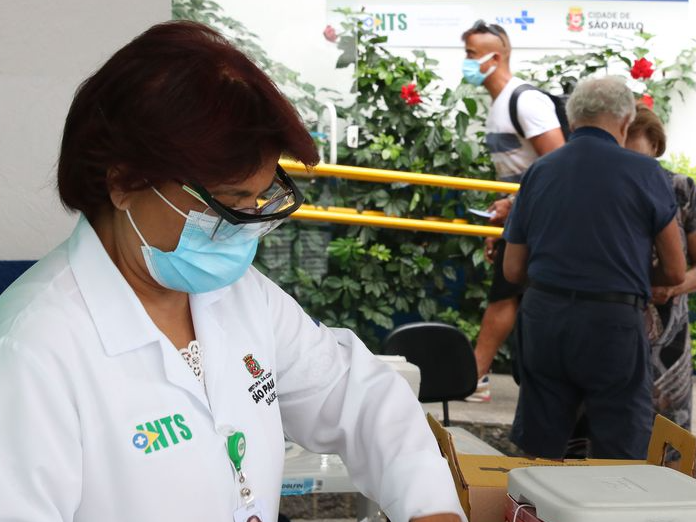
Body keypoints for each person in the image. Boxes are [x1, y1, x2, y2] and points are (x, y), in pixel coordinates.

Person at [0, 22, 465, 522]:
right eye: (224, 206)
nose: (243, 233)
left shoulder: (240, 296)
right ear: (123, 181)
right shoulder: (31, 351)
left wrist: (430, 507)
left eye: (259, 202)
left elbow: (354, 396)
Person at [503, 76, 685, 459]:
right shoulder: (646, 172)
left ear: (571, 122)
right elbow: (674, 270)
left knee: (541, 448)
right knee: (618, 449)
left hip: (544, 319)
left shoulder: (539, 172)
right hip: (612, 321)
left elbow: (513, 268)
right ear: (625, 122)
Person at [460, 20, 565, 391]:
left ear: (496, 56)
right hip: (518, 211)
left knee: (505, 294)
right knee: (514, 292)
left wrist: (513, 203)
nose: (467, 62)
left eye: (472, 54)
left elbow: (559, 165)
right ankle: (489, 375)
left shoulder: (526, 100)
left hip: (536, 213)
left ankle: (475, 376)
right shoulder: (499, 105)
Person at [626, 104, 695, 440]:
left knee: (668, 444)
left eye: (637, 154)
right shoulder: (608, 190)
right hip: (614, 330)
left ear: (655, 146)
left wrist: (675, 287)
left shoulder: (681, 189)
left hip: (668, 338)